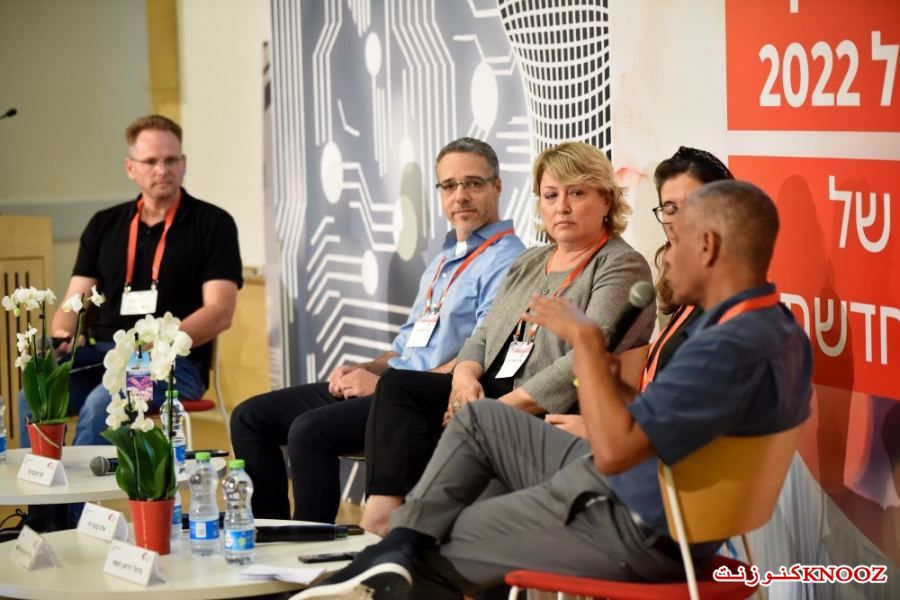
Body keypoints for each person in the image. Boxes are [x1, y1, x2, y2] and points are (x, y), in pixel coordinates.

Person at [297, 179, 813, 599]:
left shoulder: (724, 348)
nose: (666, 257)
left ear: (708, 246)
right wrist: (612, 387)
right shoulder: (774, 328)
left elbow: (616, 452)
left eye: (675, 242)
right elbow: (667, 424)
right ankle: (395, 547)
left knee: (441, 539)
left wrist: (586, 346)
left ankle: (392, 554)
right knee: (480, 421)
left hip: (634, 524)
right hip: (652, 499)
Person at [360, 141, 656, 535]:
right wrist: (463, 379)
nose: (561, 207)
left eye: (576, 193)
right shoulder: (530, 260)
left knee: (447, 447)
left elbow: (585, 358)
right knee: (398, 386)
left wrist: (492, 411)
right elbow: (484, 334)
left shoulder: (621, 264)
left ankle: (415, 537)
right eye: (550, 195)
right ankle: (383, 514)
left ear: (606, 200)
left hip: (544, 411)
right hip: (487, 394)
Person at [230, 138, 526, 522]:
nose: (460, 196)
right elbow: (406, 346)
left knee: (308, 431)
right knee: (250, 418)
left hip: (424, 400)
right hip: (392, 384)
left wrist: (385, 386)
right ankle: (270, 535)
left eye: (473, 183)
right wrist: (368, 368)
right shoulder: (443, 258)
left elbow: (483, 353)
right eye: (449, 186)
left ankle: (310, 549)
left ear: (497, 186)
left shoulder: (508, 260)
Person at [18, 115, 242, 448]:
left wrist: (157, 346)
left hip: (171, 364)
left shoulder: (213, 223)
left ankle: (87, 485)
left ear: (183, 164)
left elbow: (220, 311)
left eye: (171, 160)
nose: (162, 170)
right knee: (35, 395)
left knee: (103, 403)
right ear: (130, 168)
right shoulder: (104, 224)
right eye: (151, 161)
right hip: (105, 354)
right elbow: (73, 302)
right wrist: (65, 334)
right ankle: (43, 485)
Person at [546, 145, 734, 439]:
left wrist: (602, 433)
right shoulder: (690, 297)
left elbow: (700, 427)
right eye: (670, 209)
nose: (680, 221)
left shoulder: (735, 307)